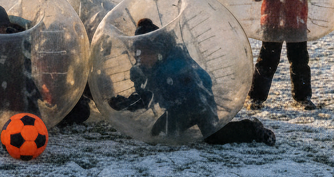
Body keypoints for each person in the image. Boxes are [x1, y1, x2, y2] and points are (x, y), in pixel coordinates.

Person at [109, 20, 275, 145]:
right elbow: (145, 98)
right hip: (177, 110)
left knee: (213, 137)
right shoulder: (143, 71)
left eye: (142, 53)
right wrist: (125, 103)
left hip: (200, 107)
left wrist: (189, 92)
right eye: (136, 52)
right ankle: (181, 123)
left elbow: (204, 80)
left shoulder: (176, 63)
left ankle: (252, 128)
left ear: (157, 51)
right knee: (159, 134)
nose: (138, 57)